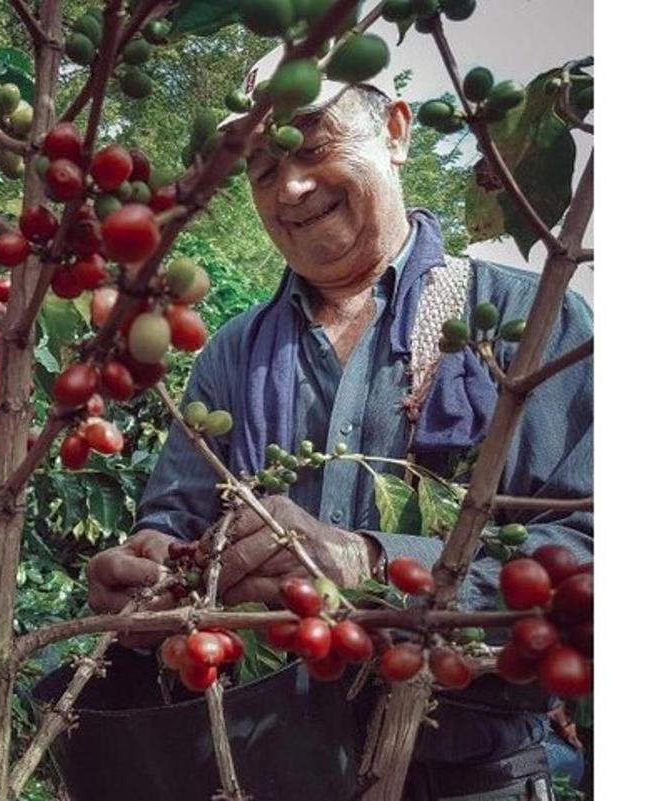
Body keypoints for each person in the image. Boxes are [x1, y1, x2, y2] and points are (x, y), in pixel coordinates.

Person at [85, 50, 592, 801]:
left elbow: (596, 556)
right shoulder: (230, 355)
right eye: (260, 170)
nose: (288, 186)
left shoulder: (532, 322)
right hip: (271, 770)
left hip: (471, 777)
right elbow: (176, 523)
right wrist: (150, 572)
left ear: (395, 130)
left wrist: (373, 559)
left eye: (312, 144)